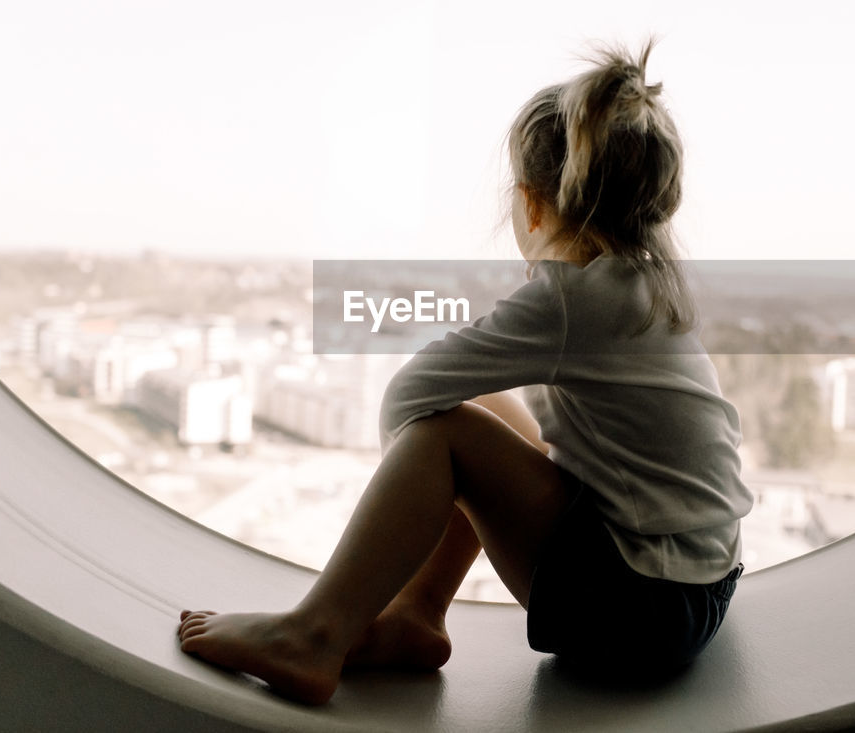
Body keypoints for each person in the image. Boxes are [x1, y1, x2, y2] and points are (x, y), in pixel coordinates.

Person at [177, 41, 753, 706]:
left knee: (443, 434)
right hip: (699, 589)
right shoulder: (649, 285)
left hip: (637, 611)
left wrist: (423, 481)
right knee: (491, 416)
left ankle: (313, 634)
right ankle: (415, 614)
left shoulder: (574, 298)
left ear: (533, 206)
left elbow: (409, 398)